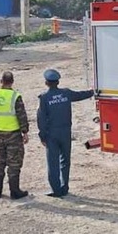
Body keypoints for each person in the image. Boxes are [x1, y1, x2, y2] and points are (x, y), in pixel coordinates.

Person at [36, 69, 95, 197]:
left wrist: (42, 135)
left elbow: (41, 119)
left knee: (53, 162)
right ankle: (65, 187)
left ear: (46, 83)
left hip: (52, 134)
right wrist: (92, 91)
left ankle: (56, 190)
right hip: (66, 132)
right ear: (58, 82)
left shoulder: (44, 98)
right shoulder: (66, 93)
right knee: (65, 160)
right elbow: (80, 95)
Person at [0, 71, 30, 199]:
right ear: (12, 82)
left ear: (1, 81)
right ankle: (15, 192)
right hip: (13, 135)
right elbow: (21, 115)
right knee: (14, 163)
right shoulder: (15, 96)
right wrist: (25, 132)